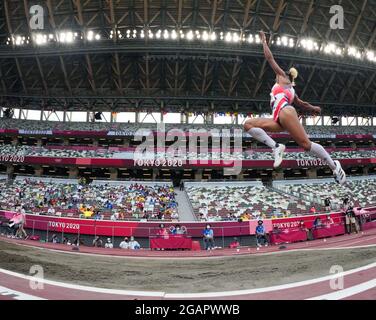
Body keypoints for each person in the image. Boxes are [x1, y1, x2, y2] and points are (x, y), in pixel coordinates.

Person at [243, 31, 346, 185]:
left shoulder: (283, 79)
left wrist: (264, 41)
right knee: (247, 124)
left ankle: (334, 165)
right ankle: (276, 147)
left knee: (306, 145)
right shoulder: (292, 92)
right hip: (278, 119)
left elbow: (269, 58)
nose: (276, 75)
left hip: (285, 112)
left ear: (285, 76)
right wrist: (314, 108)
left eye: (278, 74)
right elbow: (303, 104)